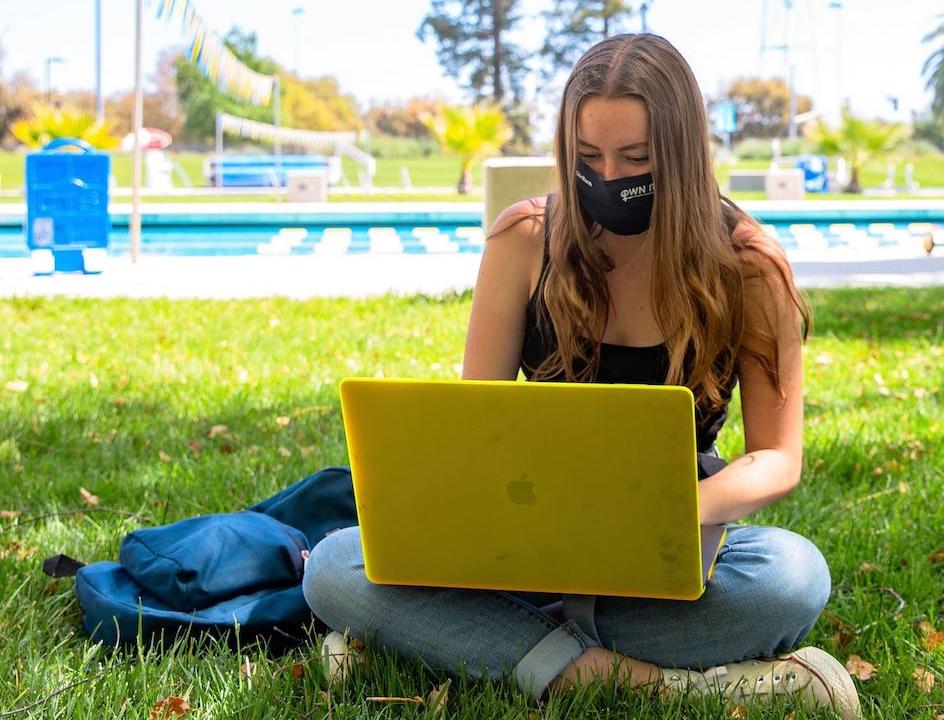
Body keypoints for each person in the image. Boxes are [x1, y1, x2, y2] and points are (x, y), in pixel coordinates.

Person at [302, 33, 861, 719]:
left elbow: (777, 458)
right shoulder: (524, 242)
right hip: (528, 538)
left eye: (634, 159)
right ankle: (644, 679)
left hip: (667, 551)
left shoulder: (747, 266)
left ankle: (448, 645)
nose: (607, 176)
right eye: (587, 157)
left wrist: (679, 513)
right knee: (333, 565)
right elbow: (474, 423)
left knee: (793, 579)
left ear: (681, 156)